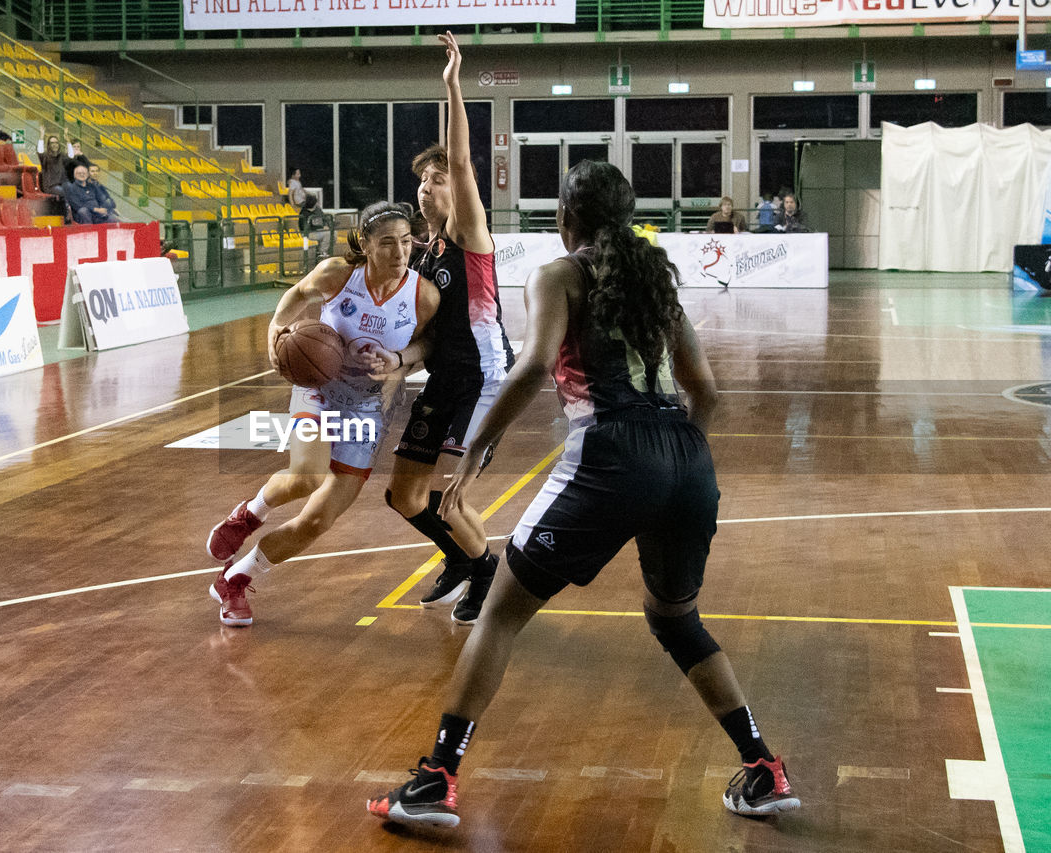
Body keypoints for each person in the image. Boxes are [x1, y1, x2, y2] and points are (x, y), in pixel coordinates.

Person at [367, 160, 799, 829]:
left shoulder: (559, 273)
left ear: (566, 219)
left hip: (609, 453)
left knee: (501, 614)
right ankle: (764, 768)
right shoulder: (657, 281)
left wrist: (478, 446)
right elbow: (707, 393)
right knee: (676, 620)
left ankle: (435, 780)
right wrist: (673, 461)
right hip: (687, 459)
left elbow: (534, 364)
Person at [206, 202, 440, 626]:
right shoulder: (338, 275)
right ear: (366, 245)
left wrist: (399, 359)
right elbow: (295, 297)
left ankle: (236, 578)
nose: (400, 252)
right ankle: (251, 513)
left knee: (317, 520)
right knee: (309, 474)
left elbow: (427, 347)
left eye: (406, 242)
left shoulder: (423, 295)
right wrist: (275, 337)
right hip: (320, 389)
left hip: (369, 407)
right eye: (387, 243)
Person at [386, 32, 513, 626]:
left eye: (437, 177)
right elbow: (431, 336)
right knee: (404, 495)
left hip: (484, 377)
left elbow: (463, 162)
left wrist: (453, 85)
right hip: (445, 374)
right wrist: (400, 362)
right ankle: (464, 561)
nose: (429, 184)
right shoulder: (425, 254)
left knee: (453, 495)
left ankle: (485, 570)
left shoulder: (470, 235)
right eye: (424, 179)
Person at [36, 125, 70, 195]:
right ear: (48, 145)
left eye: (56, 142)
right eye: (52, 143)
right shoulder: (45, 157)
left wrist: (68, 140)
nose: (55, 145)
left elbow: (71, 155)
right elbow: (40, 151)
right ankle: (68, 206)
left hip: (62, 184)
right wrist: (42, 136)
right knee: (65, 191)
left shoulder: (61, 156)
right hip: (50, 186)